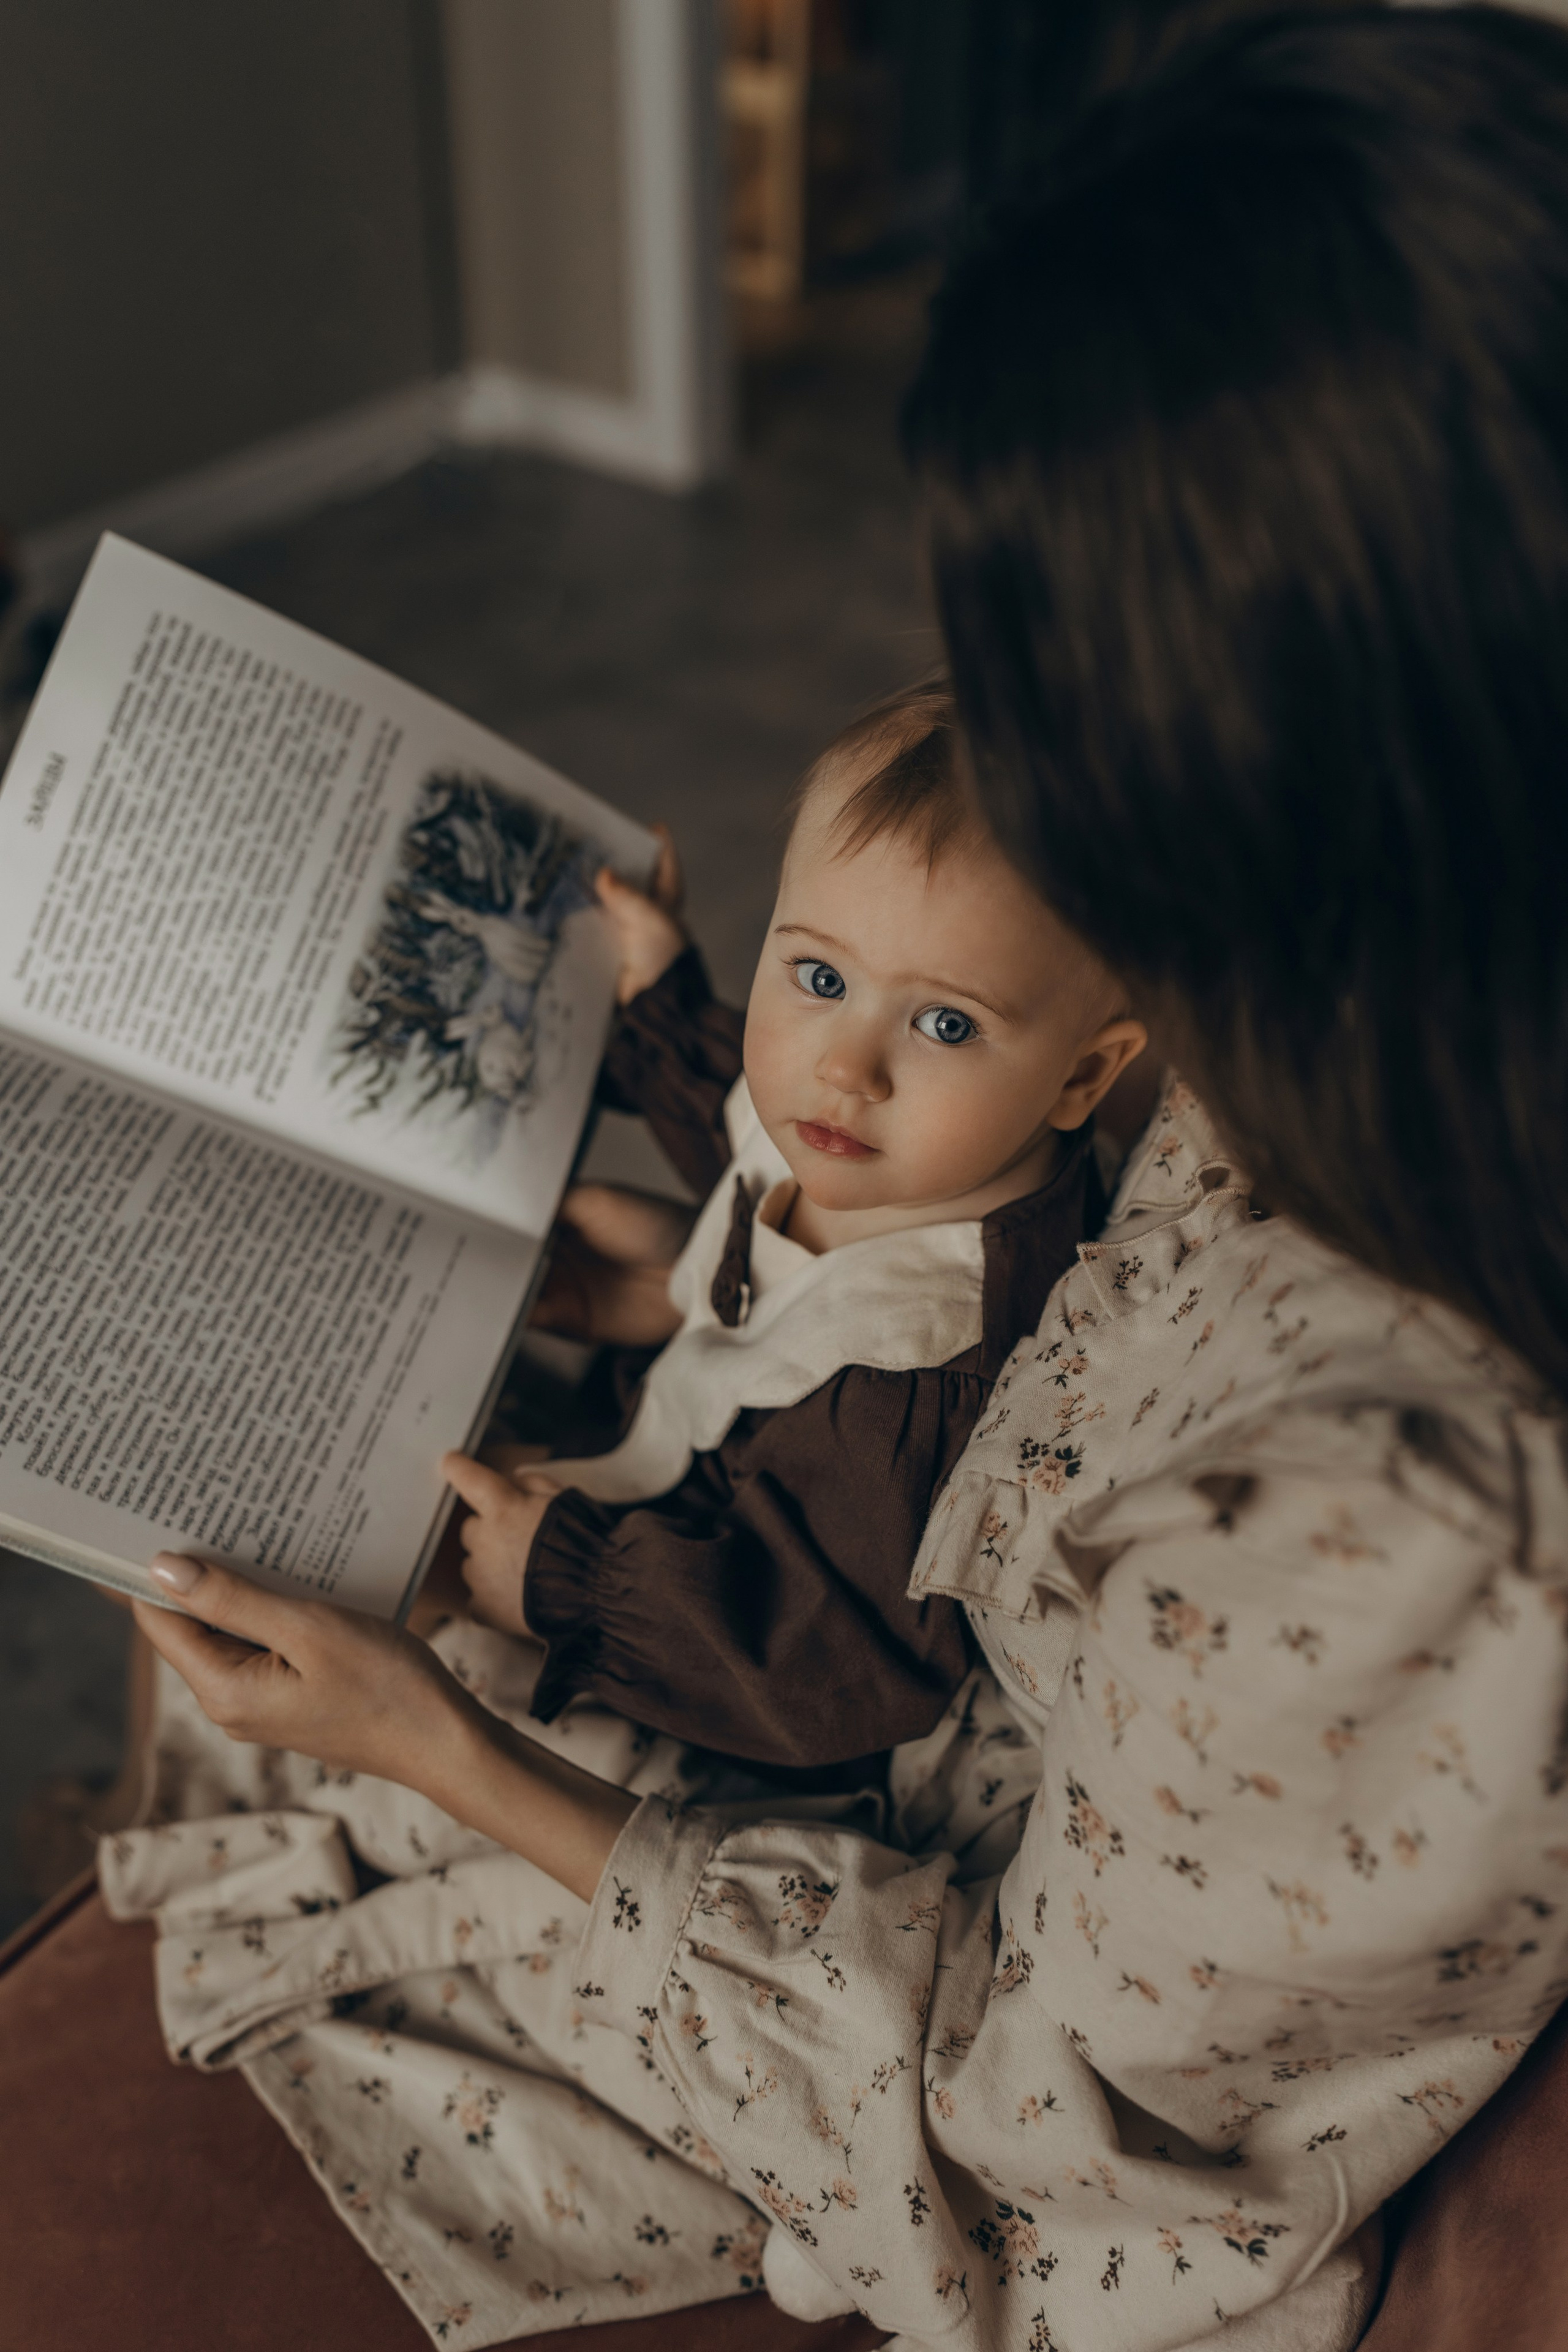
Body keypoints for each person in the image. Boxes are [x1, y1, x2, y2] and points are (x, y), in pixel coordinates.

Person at [112, 10, 1568, 2349]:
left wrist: (438, 1749)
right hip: (813, 1600)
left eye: (1047, 677)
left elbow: (1029, 2127)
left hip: (885, 1911)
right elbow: (805, 1139)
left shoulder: (1391, 1514)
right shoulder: (1251, 1066)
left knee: (288, 1636)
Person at [443, 680, 1144, 1770]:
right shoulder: (893, 1136)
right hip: (645, 1456)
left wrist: (567, 1581)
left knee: (373, 1592)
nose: (843, 1067)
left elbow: (820, 1671)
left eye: (946, 1023)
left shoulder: (926, 1371)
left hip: (695, 1663)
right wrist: (657, 992)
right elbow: (739, 1109)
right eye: (819, 975)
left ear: (1083, 1077)